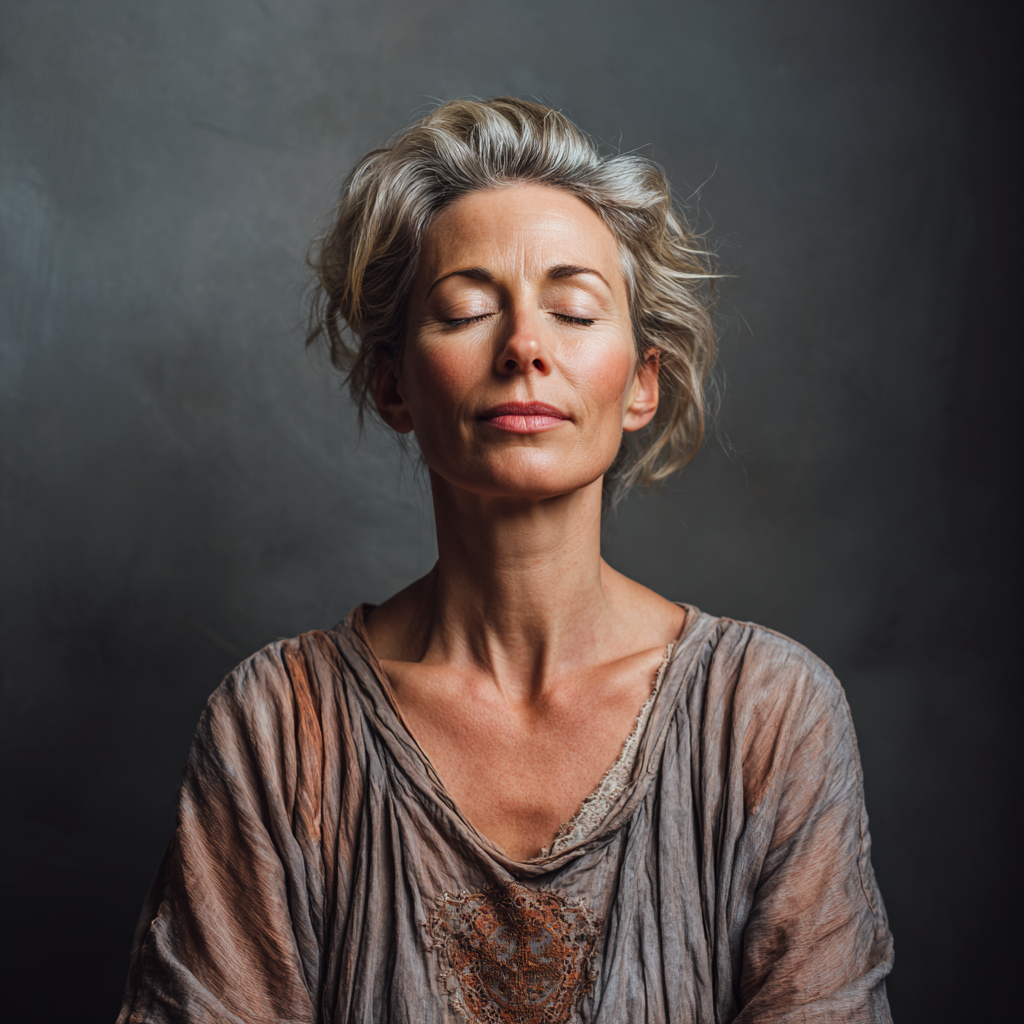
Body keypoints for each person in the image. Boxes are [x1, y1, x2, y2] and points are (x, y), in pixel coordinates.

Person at [117, 98, 893, 1023]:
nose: (525, 348)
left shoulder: (766, 718)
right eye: (468, 309)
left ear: (642, 383)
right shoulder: (282, 730)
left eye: (572, 310)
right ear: (394, 383)